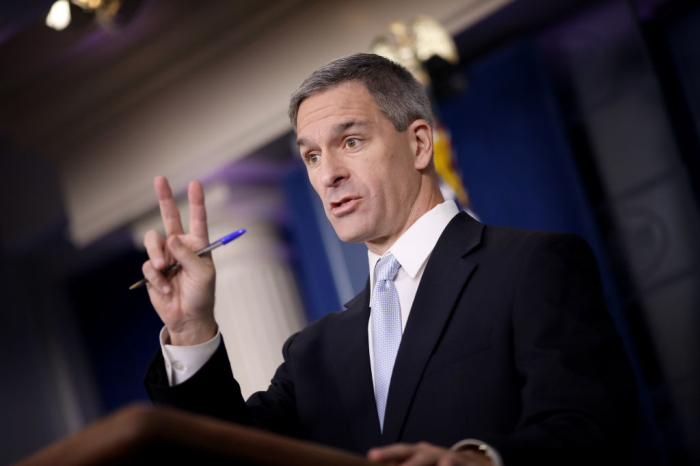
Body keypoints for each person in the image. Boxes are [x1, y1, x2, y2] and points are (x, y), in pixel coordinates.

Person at [142, 54, 636, 465]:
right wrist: (190, 329)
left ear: (419, 143)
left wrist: (477, 462)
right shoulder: (313, 352)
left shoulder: (531, 265)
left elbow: (592, 424)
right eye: (312, 156)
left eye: (350, 142)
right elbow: (231, 456)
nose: (328, 174)